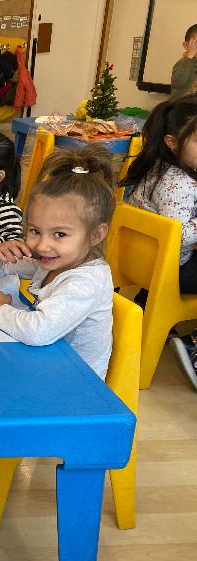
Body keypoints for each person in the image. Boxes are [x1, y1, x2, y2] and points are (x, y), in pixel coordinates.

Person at [0, 145, 116, 379]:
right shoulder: (52, 261)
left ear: (95, 235)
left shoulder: (86, 281)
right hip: (46, 361)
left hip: (74, 382)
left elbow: (38, 331)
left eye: (59, 234)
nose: (42, 245)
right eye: (34, 230)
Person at [123, 94, 197, 388]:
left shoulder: (159, 168)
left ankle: (147, 313)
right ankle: (194, 346)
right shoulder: (179, 182)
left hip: (142, 263)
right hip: (171, 269)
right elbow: (182, 235)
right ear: (172, 142)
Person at [172, 24, 197, 99]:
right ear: (186, 45)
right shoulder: (182, 63)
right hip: (181, 104)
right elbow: (178, 83)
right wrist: (189, 56)